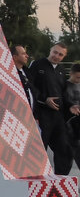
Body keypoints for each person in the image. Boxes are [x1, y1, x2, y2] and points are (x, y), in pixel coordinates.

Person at [30, 43, 74, 175]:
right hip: (42, 115)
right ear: (50, 50)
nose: (56, 56)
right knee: (39, 151)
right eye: (55, 52)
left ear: (64, 56)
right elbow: (30, 87)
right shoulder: (37, 65)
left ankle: (61, 179)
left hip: (58, 117)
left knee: (65, 150)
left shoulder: (61, 70)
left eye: (60, 54)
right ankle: (35, 179)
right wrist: (45, 100)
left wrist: (71, 106)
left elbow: (63, 94)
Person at [12, 45, 35, 111]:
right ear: (15, 57)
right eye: (23, 54)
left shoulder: (28, 72)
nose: (27, 56)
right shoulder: (11, 74)